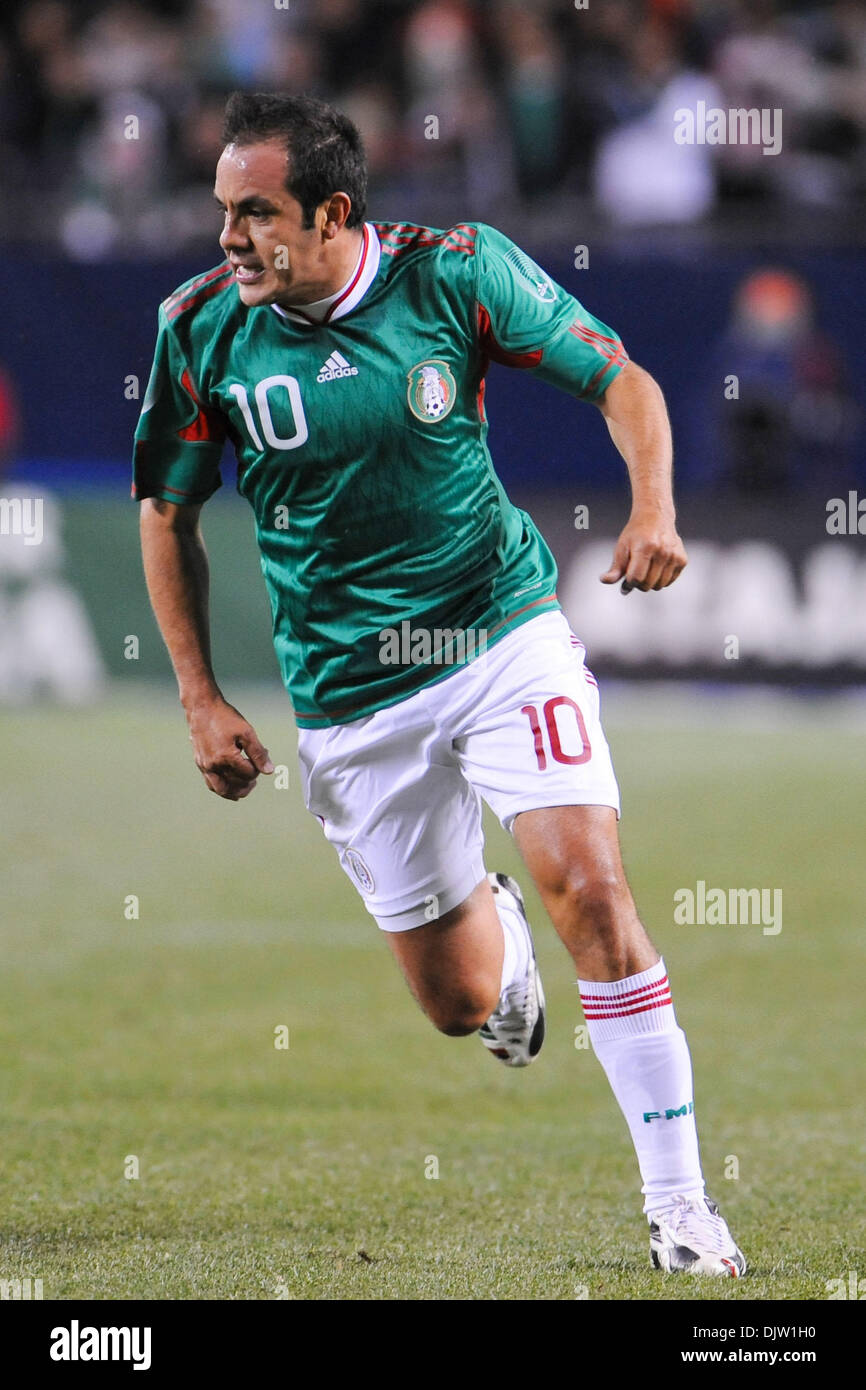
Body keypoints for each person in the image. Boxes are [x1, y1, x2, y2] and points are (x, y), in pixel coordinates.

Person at [134, 90, 746, 1279]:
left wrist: (655, 508)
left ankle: (680, 1209)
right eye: (220, 211)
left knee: (594, 892)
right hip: (350, 699)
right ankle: (497, 939)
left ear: (332, 213)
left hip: (498, 635)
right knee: (461, 1005)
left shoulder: (457, 274)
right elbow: (167, 511)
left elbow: (623, 382)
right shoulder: (198, 328)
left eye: (254, 213)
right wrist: (199, 697)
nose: (226, 239)